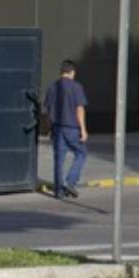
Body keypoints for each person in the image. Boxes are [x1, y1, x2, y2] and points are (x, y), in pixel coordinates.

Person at [44, 60, 88, 199]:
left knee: (59, 159)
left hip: (57, 128)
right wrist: (83, 129)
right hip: (72, 128)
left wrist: (50, 128)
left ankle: (58, 191)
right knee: (81, 153)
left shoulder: (52, 87)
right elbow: (79, 109)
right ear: (72, 72)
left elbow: (48, 111)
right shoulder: (76, 87)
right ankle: (71, 181)